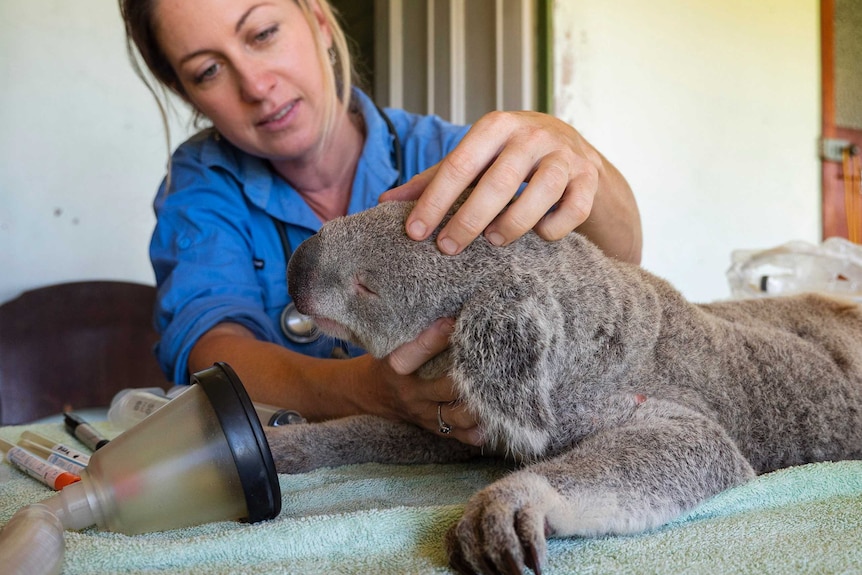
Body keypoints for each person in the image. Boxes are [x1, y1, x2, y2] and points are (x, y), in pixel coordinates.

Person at [120, 0, 642, 446]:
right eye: (208, 70)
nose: (256, 86)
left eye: (263, 33)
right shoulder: (201, 188)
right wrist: (366, 389)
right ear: (187, 94)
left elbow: (619, 264)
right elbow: (209, 349)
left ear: (320, 21)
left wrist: (575, 154)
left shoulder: (441, 153)